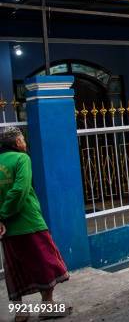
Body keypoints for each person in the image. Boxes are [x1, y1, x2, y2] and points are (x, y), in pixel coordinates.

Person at [0, 127, 72, 321]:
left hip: (5, 228)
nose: (24, 142)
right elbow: (20, 189)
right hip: (29, 221)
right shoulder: (22, 159)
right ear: (16, 143)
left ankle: (21, 312)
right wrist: (5, 213)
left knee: (14, 268)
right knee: (45, 262)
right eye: (22, 139)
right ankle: (47, 306)